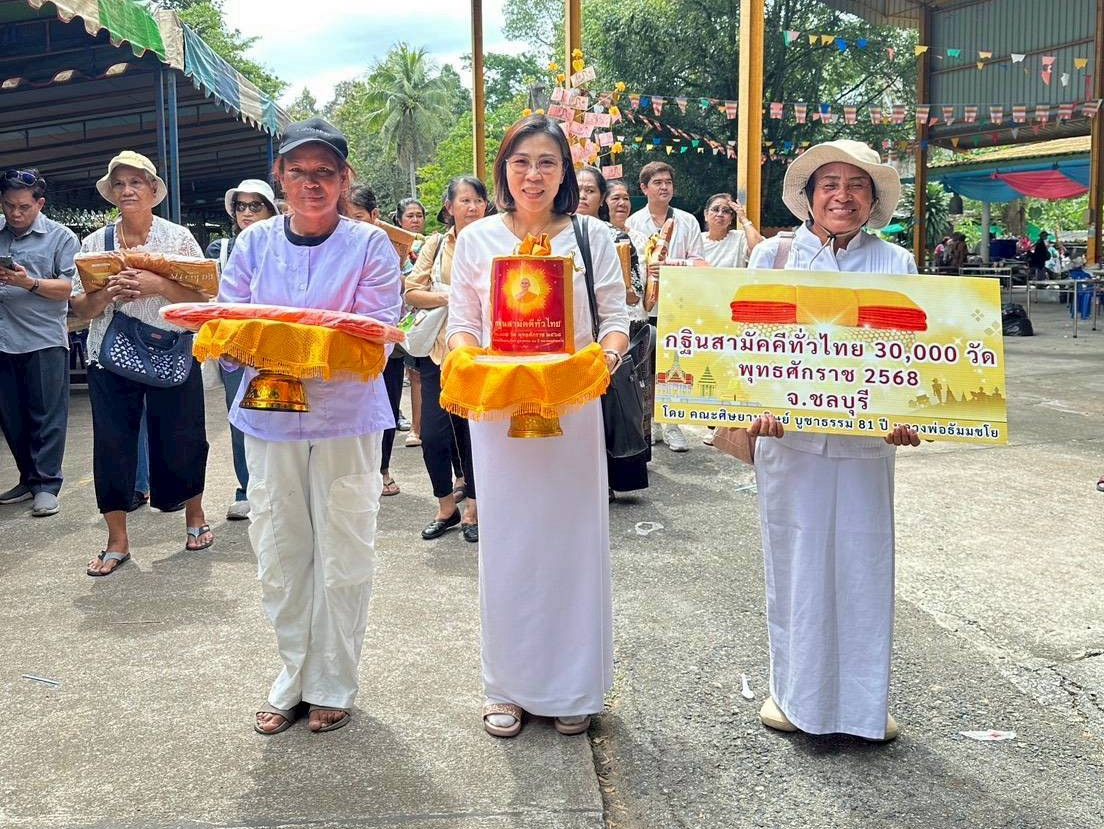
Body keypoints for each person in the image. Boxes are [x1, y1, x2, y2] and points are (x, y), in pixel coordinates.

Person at [219, 117, 403, 734]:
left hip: (345, 418)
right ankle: (291, 677)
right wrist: (275, 339)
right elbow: (232, 325)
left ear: (345, 179)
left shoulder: (371, 246)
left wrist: (284, 339)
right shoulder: (252, 244)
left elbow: (374, 332)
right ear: (281, 179)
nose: (312, 183)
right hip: (268, 421)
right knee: (278, 547)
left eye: (325, 172)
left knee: (345, 548)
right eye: (298, 172)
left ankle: (333, 683)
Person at [447, 114, 629, 738]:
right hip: (500, 412)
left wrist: (599, 360)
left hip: (571, 408)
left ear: (565, 172)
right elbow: (463, 321)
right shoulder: (477, 241)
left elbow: (616, 317)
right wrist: (469, 358)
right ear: (504, 168)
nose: (533, 174)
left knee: (571, 539)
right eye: (521, 161)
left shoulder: (592, 237)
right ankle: (509, 686)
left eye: (547, 162)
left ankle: (572, 686)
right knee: (510, 541)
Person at [744, 139, 923, 742]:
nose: (842, 195)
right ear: (809, 197)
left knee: (863, 566)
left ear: (873, 200)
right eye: (830, 184)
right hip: (789, 446)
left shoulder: (895, 262)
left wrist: (909, 414)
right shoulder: (771, 256)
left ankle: (862, 705)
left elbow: (915, 355)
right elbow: (746, 343)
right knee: (794, 565)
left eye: (856, 185)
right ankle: (795, 697)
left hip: (867, 449)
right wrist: (753, 411)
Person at [69, 151, 213, 575]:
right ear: (112, 193)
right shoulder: (95, 243)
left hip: (173, 348)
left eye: (137, 182)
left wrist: (157, 284)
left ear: (153, 190)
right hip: (109, 355)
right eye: (120, 184)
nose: (128, 190)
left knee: (184, 436)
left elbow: (204, 299)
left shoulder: (179, 239)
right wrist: (107, 292)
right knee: (112, 445)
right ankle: (117, 540)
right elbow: (81, 306)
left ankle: (195, 517)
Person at [404, 176, 487, 543]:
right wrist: (450, 297)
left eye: (479, 200)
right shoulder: (435, 245)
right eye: (465, 201)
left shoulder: (496, 241)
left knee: (473, 435)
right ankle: (445, 507)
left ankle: (473, 508)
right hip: (439, 353)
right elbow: (411, 292)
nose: (472, 207)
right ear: (449, 208)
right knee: (434, 436)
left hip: (480, 356)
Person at [0, 168, 79, 517]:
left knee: (46, 415)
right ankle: (28, 478)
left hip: (42, 338)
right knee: (11, 417)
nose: (15, 213)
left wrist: (28, 282)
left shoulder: (60, 238)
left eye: (23, 207)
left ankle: (47, 485)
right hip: (3, 339)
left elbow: (70, 290)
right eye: (8, 206)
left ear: (40, 203)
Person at [205, 179, 278, 521]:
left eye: (255, 205)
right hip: (235, 346)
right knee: (240, 418)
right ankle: (246, 488)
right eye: (241, 206)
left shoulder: (283, 245)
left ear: (270, 209)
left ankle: (277, 488)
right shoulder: (220, 249)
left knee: (278, 416)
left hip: (276, 345)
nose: (247, 212)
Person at [576, 166, 650, 498]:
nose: (582, 196)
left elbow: (633, 290)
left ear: (601, 197)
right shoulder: (550, 231)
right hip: (568, 340)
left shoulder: (615, 236)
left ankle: (607, 478)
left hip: (606, 335)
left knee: (610, 412)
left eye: (590, 190)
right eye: (576, 189)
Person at [626, 161, 704, 452]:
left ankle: (673, 425)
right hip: (645, 307)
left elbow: (698, 261)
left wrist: (670, 266)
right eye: (657, 182)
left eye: (667, 182)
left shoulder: (687, 221)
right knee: (646, 367)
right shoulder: (634, 222)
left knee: (675, 365)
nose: (664, 187)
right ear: (644, 188)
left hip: (678, 303)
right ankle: (653, 424)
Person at [349, 184, 407, 494]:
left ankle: (382, 467)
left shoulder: (387, 244)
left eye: (358, 216)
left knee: (386, 404)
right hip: (348, 348)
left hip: (386, 344)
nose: (352, 222)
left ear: (375, 216)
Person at [392, 197, 427, 439]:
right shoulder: (391, 244)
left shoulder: (432, 244)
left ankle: (420, 426)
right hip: (400, 316)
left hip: (424, 315)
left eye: (419, 215)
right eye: (410, 216)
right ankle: (414, 426)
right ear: (399, 219)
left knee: (421, 374)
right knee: (409, 373)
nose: (415, 220)